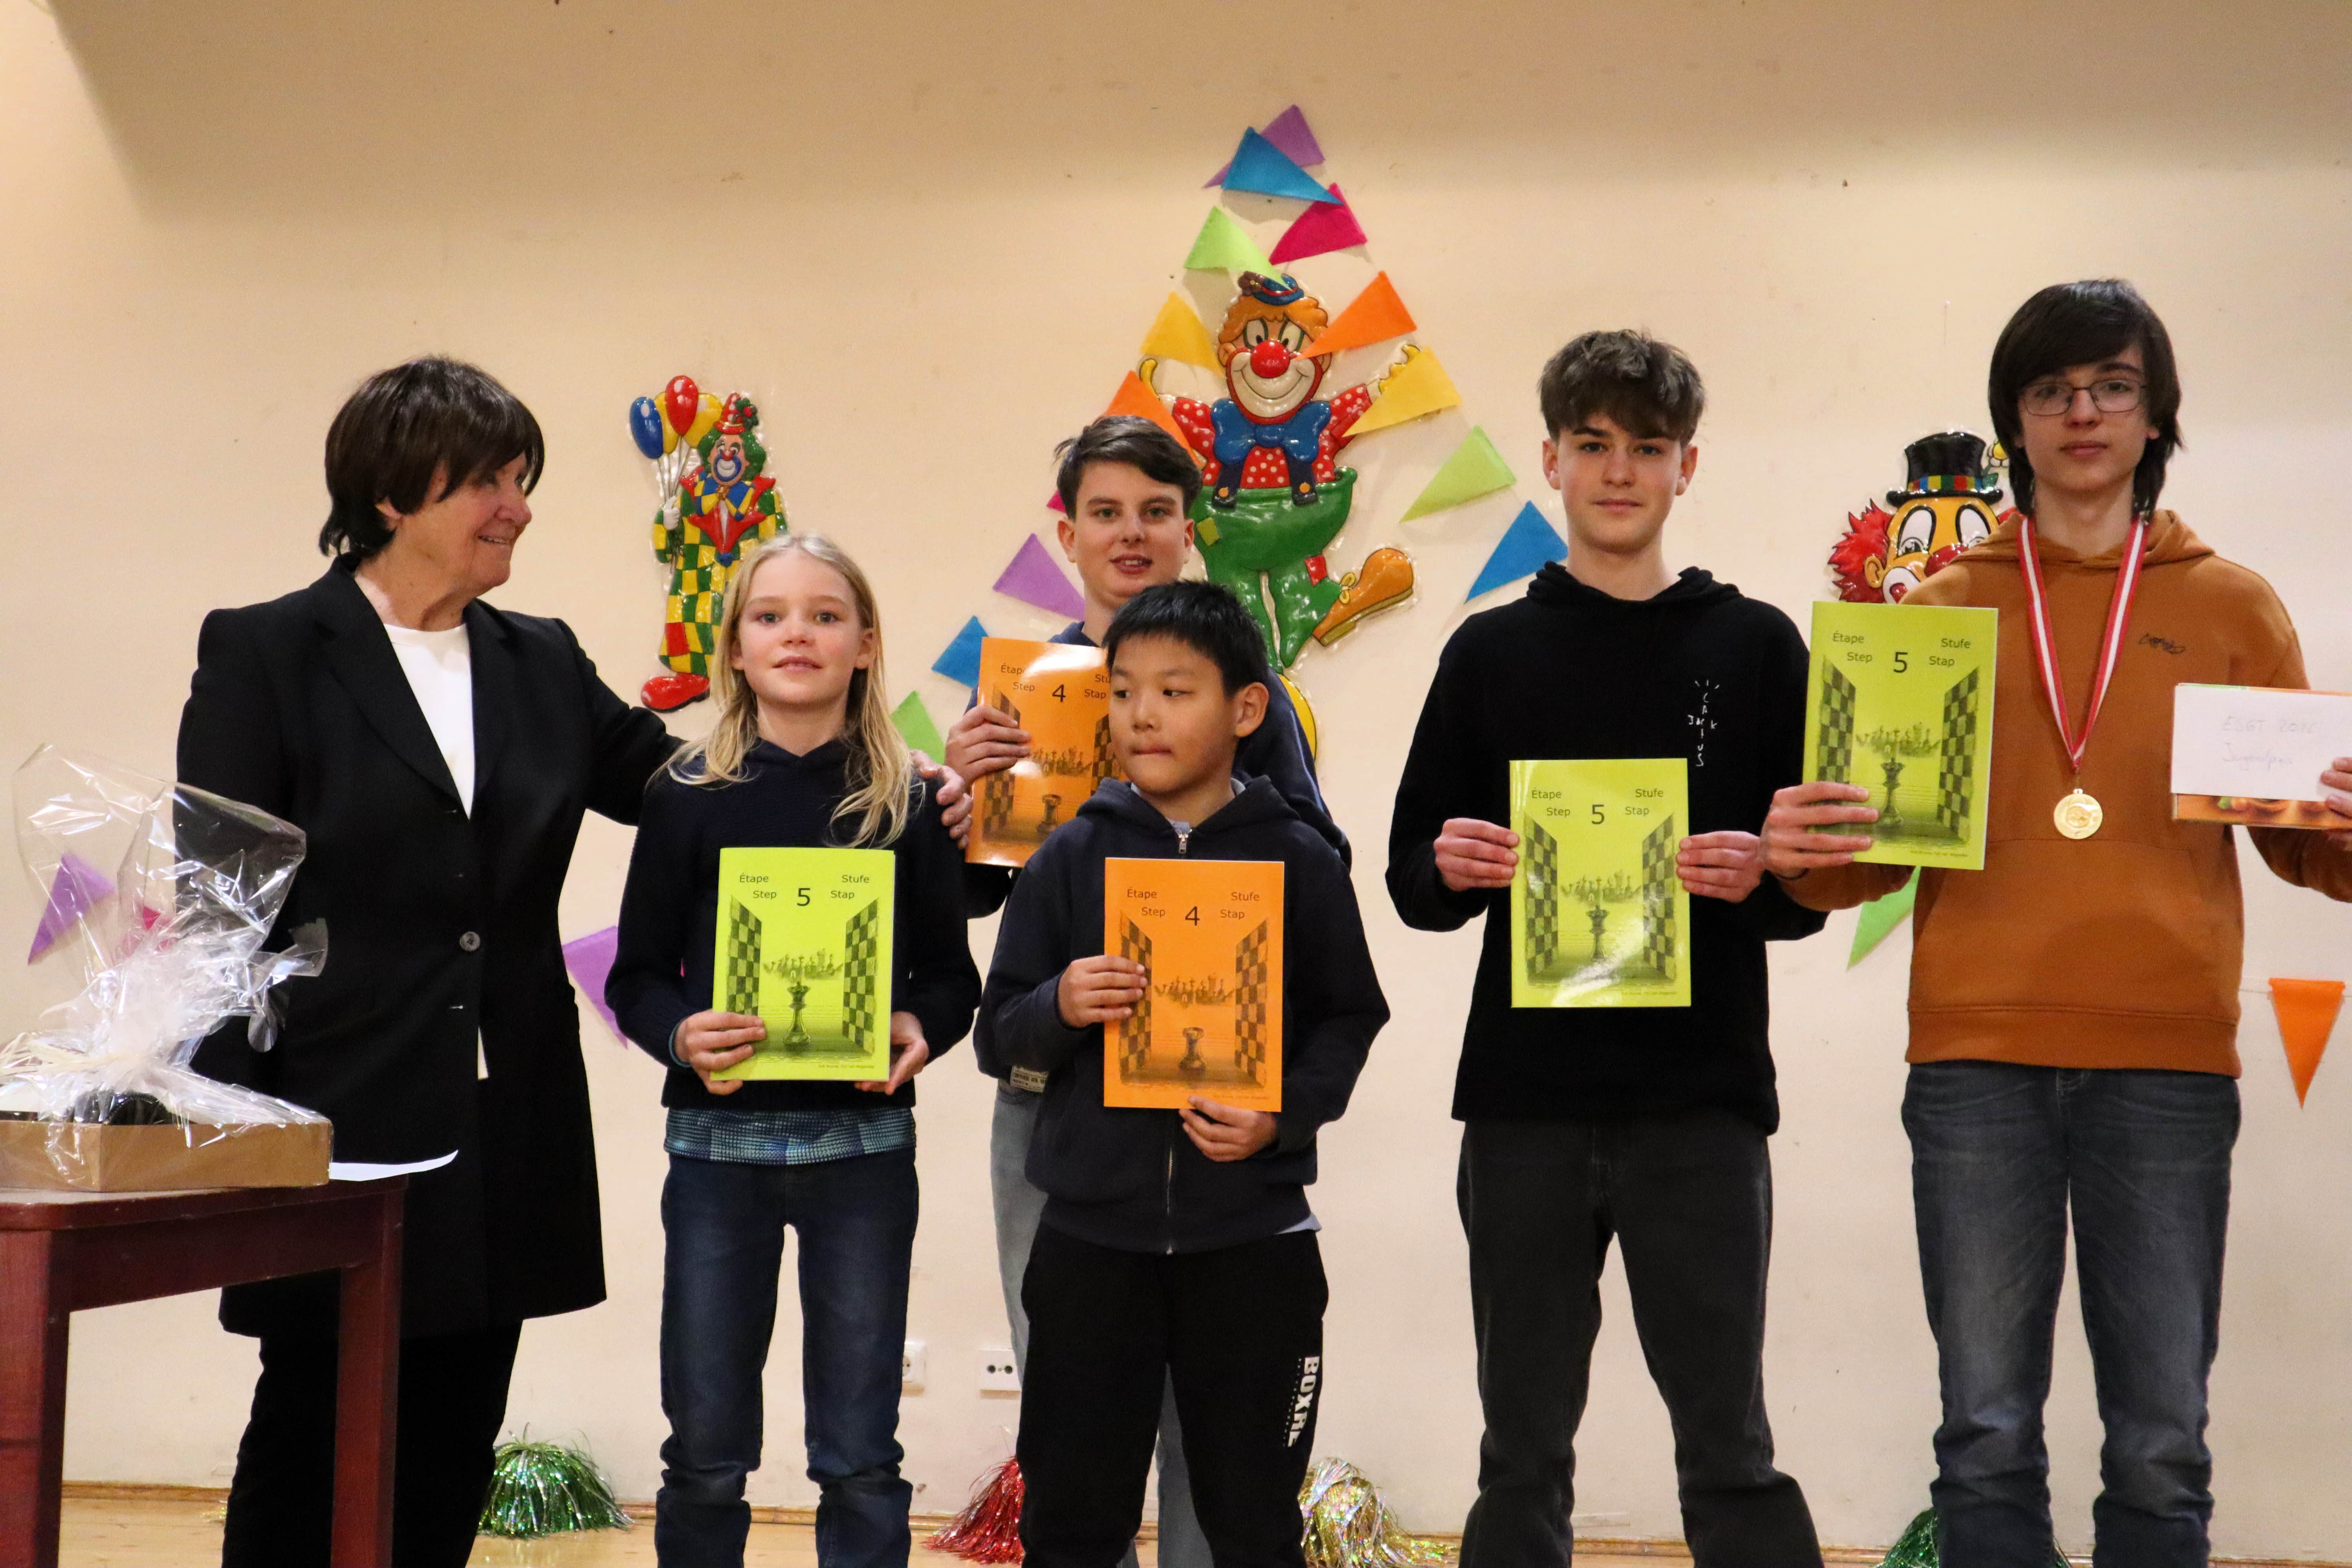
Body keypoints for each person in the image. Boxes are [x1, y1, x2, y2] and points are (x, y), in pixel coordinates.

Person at [1761, 279, 2352, 1566]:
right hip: (1975, 1064)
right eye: (2051, 390)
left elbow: (2308, 849)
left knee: (2161, 1443)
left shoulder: (2233, 608)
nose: (2083, 413)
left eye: (2113, 387)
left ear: (2157, 416)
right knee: (1983, 1434)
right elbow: (1860, 871)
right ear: (2015, 422)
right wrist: (1803, 856)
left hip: (2169, 1066)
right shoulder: (1932, 615)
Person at [176, 357, 681, 1567]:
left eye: (522, 480)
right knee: (309, 1430)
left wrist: (876, 785)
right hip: (329, 1111)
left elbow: (687, 792)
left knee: (456, 1429)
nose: (519, 508)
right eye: (490, 482)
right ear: (394, 495)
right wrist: (207, 1105)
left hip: (504, 1109)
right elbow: (218, 897)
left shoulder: (542, 660)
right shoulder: (268, 651)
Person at [1387, 330, 1829, 1567]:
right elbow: (1413, 877)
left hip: (1702, 1102)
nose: (1619, 471)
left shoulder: (1756, 648)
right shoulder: (1489, 650)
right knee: (1521, 1450)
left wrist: (1765, 874)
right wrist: (1451, 865)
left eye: (1647, 447)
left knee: (1728, 1443)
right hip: (1525, 1106)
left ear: (1689, 465)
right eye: (1593, 445)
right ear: (1551, 462)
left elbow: (1810, 894)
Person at [944, 415, 1345, 1568]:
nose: (1131, 534)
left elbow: (1313, 871)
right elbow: (978, 905)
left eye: (1156, 512)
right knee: (1075, 1398)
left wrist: (1187, 851)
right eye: (1106, 512)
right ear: (1067, 532)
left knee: (1216, 1427)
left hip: (1211, 1089)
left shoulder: (1251, 694)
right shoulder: (1020, 693)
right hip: (1062, 1093)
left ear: (1188, 529)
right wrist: (965, 809)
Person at [606, 534, 980, 1567]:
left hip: (864, 1158)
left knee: (860, 1452)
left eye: (825, 615)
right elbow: (637, 976)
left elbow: (952, 979)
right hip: (715, 1158)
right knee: (705, 1449)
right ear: (734, 646)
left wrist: (922, 1030)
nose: (797, 634)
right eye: (770, 616)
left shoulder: (908, 799)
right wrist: (678, 1034)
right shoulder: (684, 792)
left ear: (866, 643)